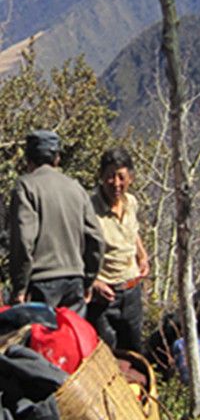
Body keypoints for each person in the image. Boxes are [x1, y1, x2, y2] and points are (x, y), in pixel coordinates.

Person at [9, 129, 104, 315]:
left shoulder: (26, 186)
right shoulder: (76, 188)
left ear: (28, 159)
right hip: (74, 280)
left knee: (41, 333)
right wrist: (89, 279)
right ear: (57, 158)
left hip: (41, 281)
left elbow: (24, 240)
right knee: (71, 331)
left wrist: (20, 287)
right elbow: (96, 238)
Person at [87, 147, 149, 352]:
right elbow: (74, 248)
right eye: (110, 176)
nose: (116, 183)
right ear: (101, 177)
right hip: (104, 296)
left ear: (130, 178)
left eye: (121, 177)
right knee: (105, 353)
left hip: (131, 290)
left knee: (133, 351)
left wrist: (142, 256)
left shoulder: (131, 203)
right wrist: (94, 282)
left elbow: (133, 232)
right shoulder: (88, 209)